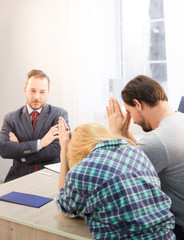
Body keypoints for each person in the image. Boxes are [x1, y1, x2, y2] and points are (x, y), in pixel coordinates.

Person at [56, 118, 175, 240]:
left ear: (77, 149)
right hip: (166, 235)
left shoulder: (82, 171)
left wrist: (64, 150)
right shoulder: (137, 153)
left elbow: (65, 205)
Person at [106, 75, 184, 239]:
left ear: (138, 104)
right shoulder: (179, 119)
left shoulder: (158, 140)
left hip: (178, 228)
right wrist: (125, 134)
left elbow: (116, 178)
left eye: (129, 112)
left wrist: (115, 134)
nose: (132, 121)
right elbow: (144, 156)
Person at [0, 69, 69, 182]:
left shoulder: (59, 115)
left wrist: (21, 155)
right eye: (32, 91)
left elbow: (57, 149)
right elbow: (4, 150)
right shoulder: (11, 118)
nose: (37, 97)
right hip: (18, 177)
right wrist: (41, 143)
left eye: (42, 92)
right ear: (25, 90)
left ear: (48, 92)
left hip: (50, 177)